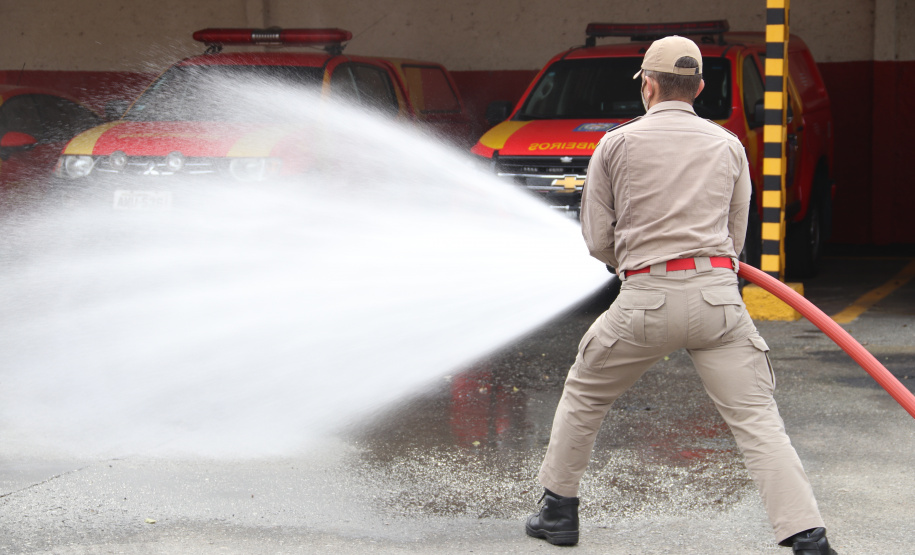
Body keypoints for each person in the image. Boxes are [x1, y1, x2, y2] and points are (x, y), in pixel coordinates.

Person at [524, 36, 837, 555]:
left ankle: (558, 512)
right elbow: (737, 237)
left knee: (585, 393)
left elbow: (597, 238)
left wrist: (632, 266)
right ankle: (808, 537)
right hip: (719, 304)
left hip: (644, 301)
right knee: (758, 421)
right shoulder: (729, 144)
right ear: (699, 87)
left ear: (647, 84)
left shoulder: (616, 144)